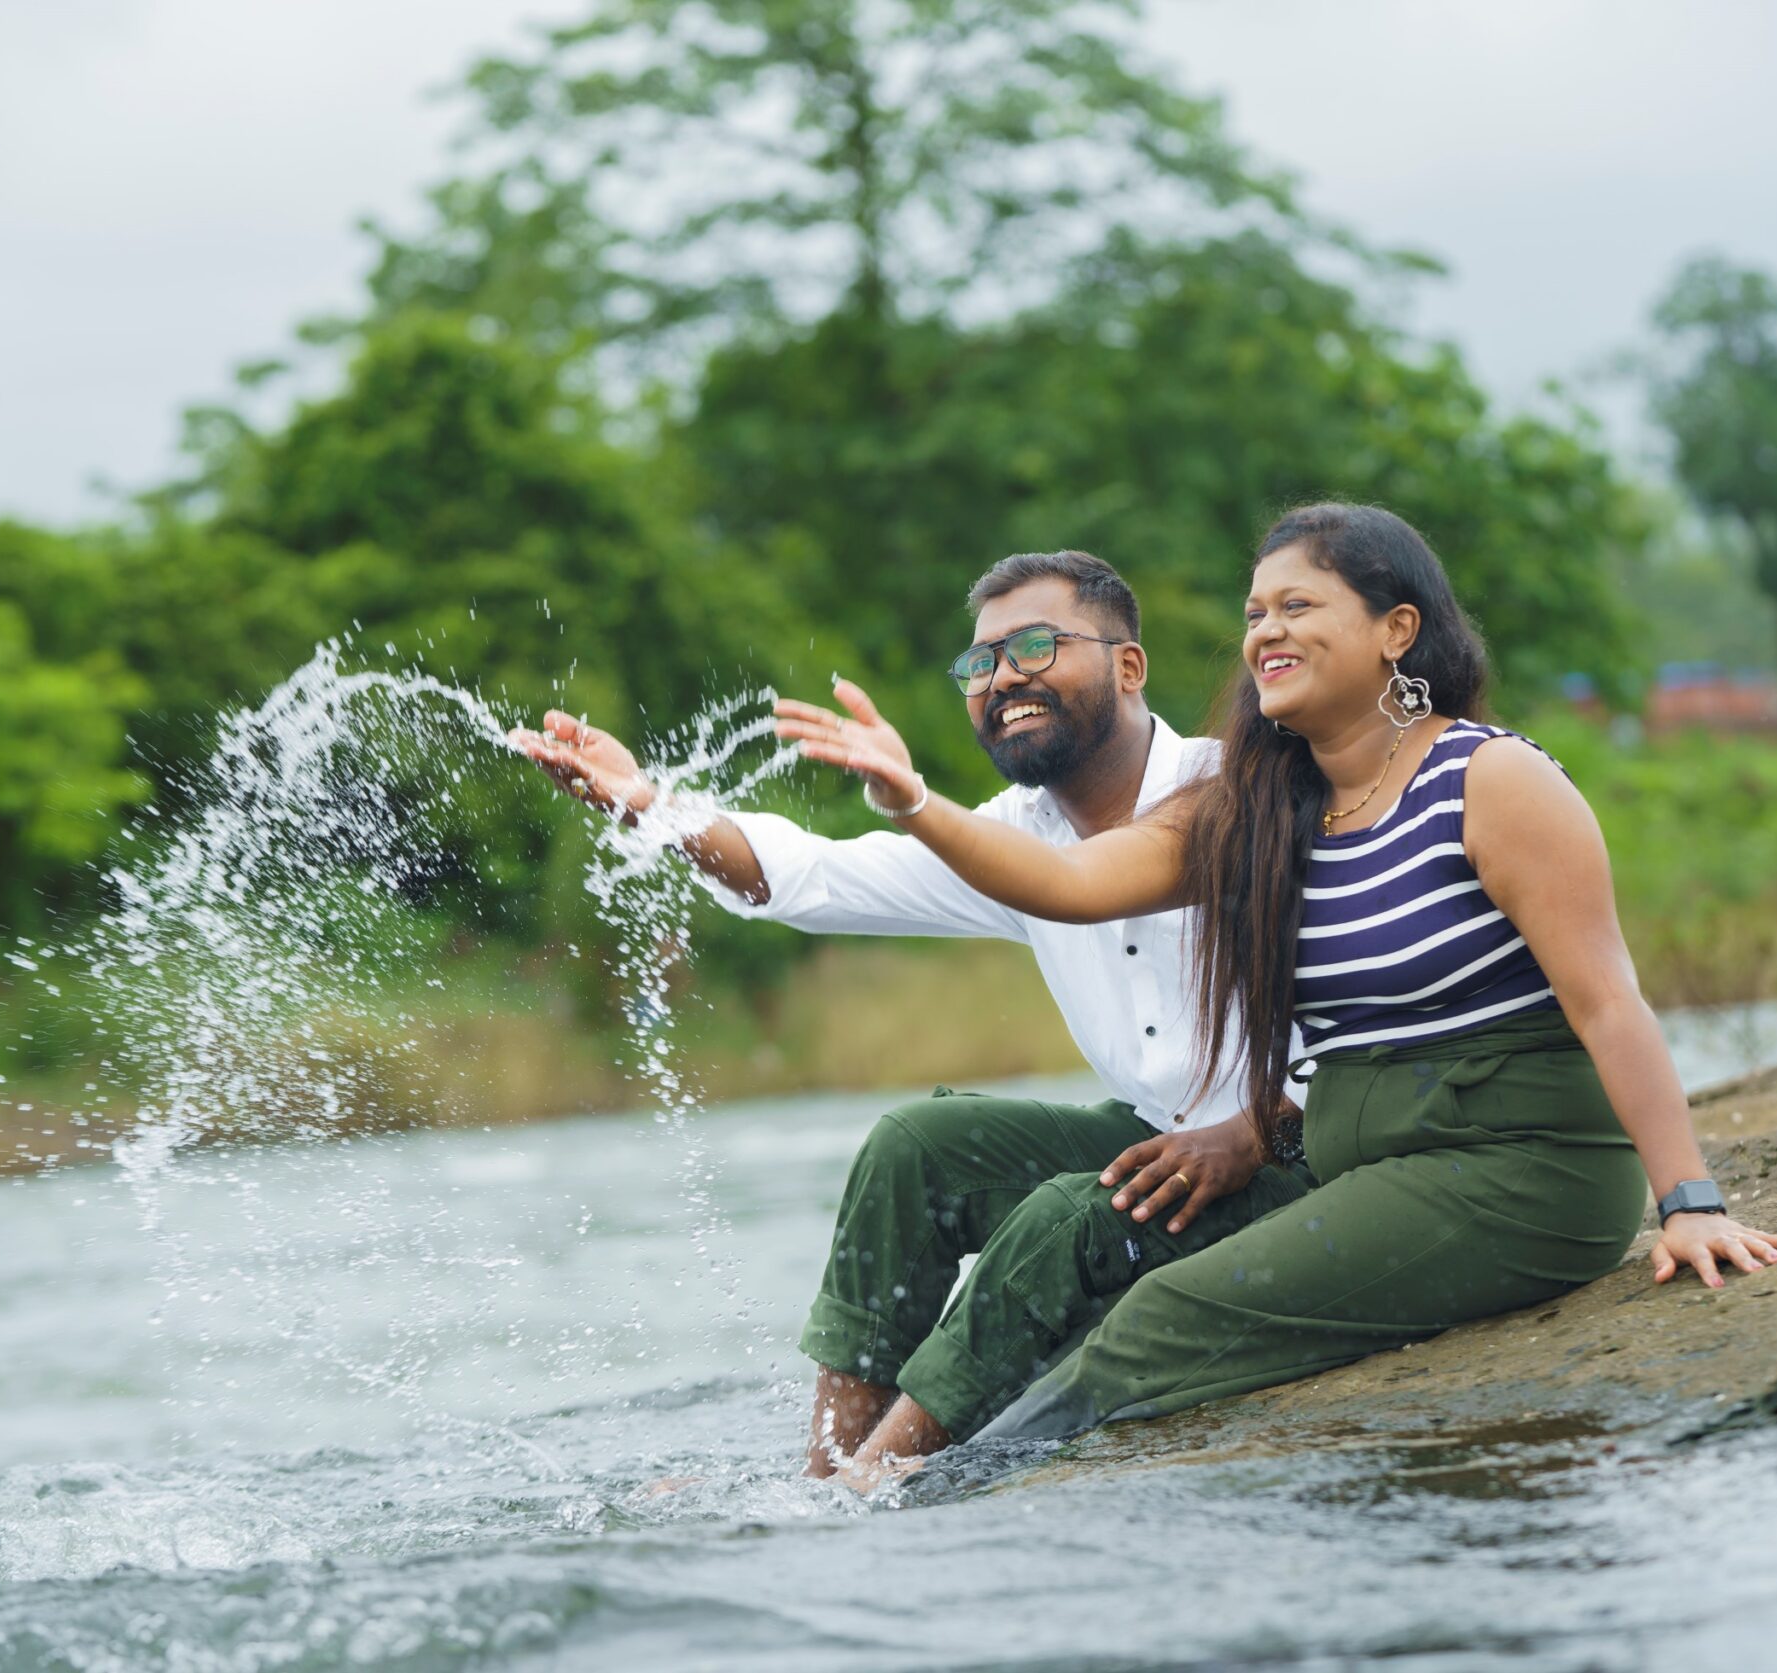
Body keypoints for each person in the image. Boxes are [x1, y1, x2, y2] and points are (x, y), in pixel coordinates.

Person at [775, 502, 1777, 1486]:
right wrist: (912, 800)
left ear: (1396, 628)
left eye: (1298, 606)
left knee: (1154, 1321)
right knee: (1093, 1245)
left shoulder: (1490, 780)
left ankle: (907, 1493)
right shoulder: (1262, 805)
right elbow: (1067, 882)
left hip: (1513, 1171)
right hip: (1368, 1162)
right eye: (1255, 611)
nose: (1265, 629)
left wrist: (1689, 1203)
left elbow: (1609, 1003)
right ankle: (870, 1476)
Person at [509, 551, 1308, 1477]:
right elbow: (812, 875)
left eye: (1037, 646)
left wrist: (1256, 1124)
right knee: (916, 1146)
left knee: (1062, 1214)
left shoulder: (1248, 789)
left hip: (1292, 1149)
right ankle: (827, 1465)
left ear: (1129, 666)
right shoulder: (1012, 836)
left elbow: (1382, 1001)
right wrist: (649, 806)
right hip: (1156, 1149)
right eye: (981, 663)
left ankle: (867, 1486)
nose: (1004, 677)